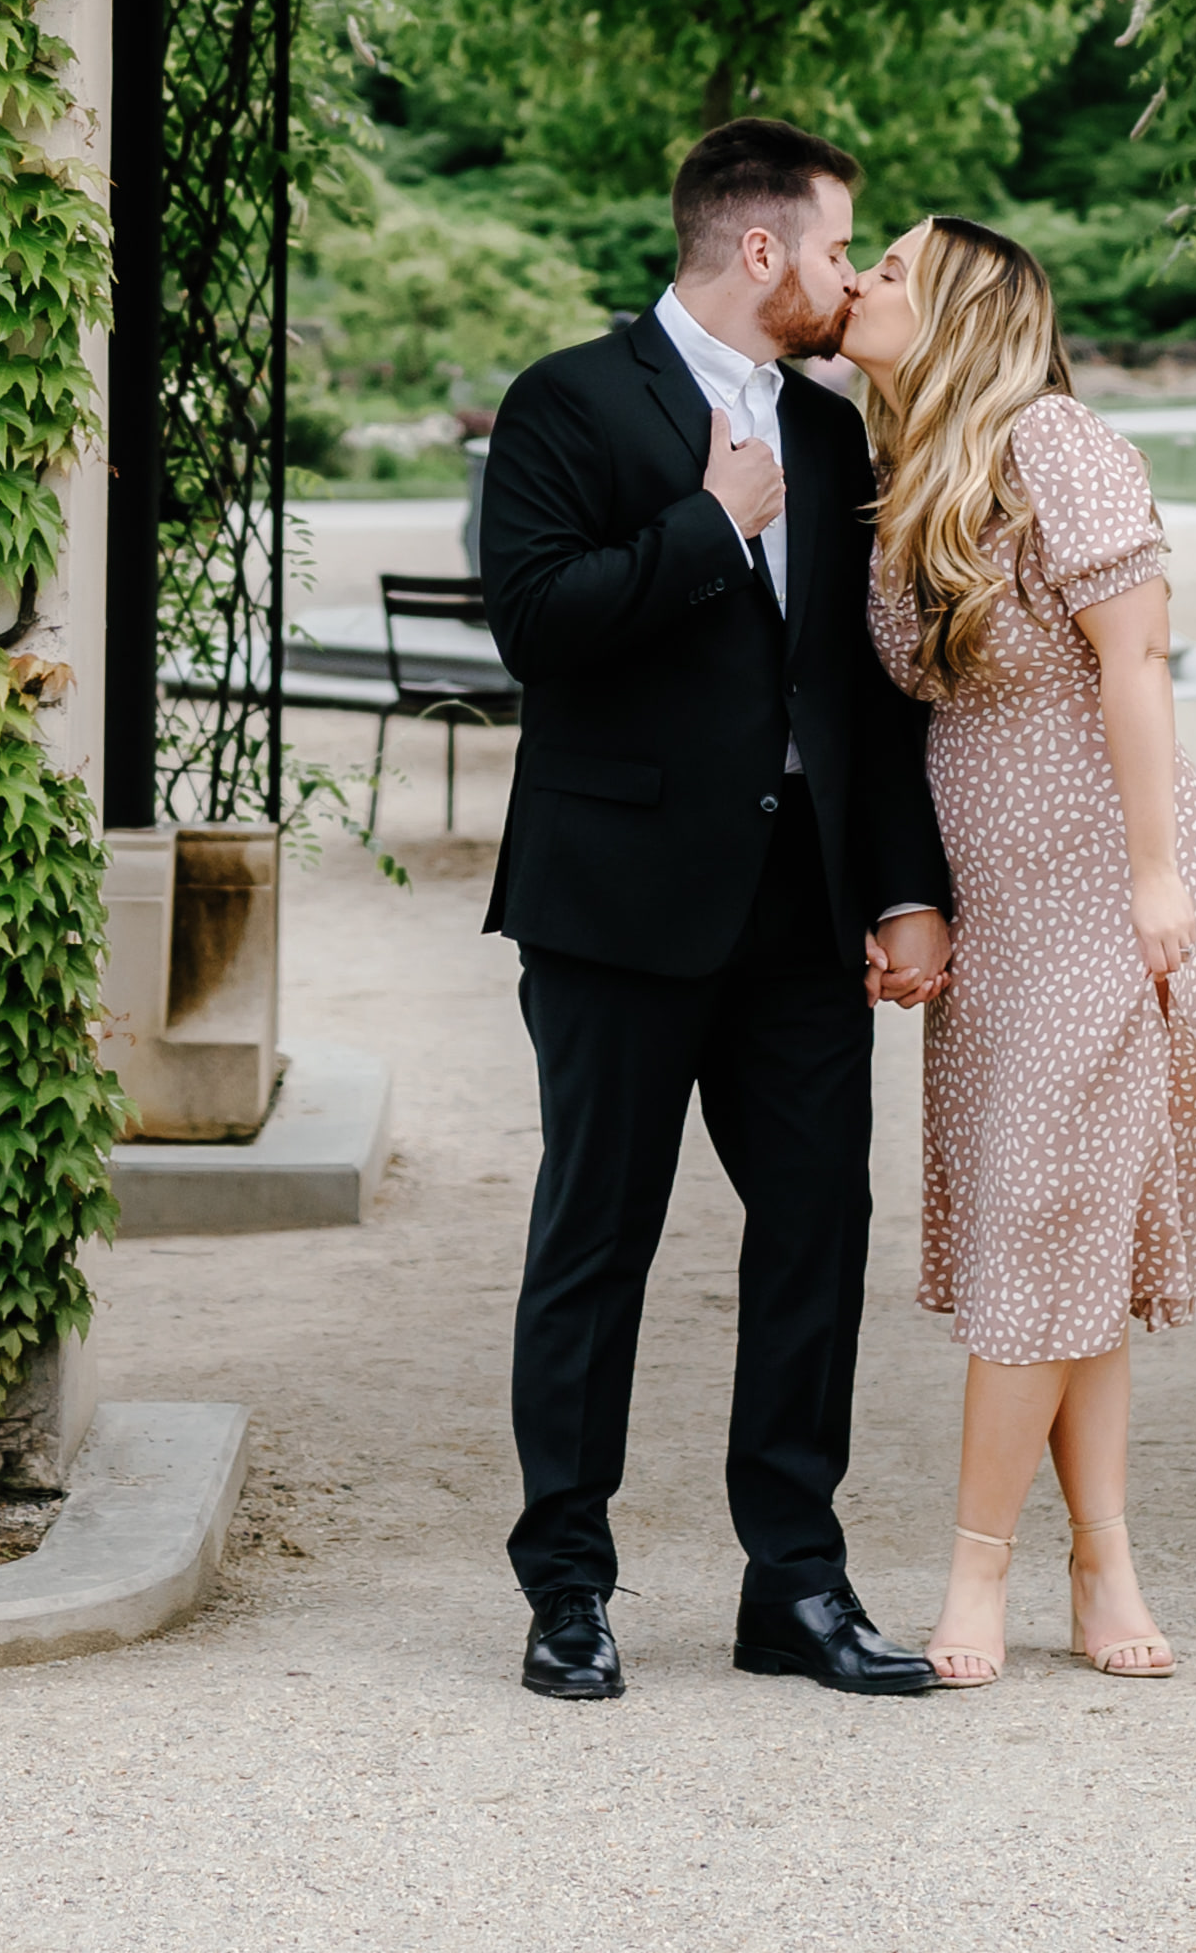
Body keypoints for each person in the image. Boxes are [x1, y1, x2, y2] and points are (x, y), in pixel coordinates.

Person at [473, 118, 961, 1704]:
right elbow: (537, 628)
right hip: (614, 909)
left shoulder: (835, 437)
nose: (845, 275)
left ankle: (795, 1587)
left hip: (799, 920)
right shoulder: (568, 399)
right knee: (593, 1240)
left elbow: (856, 703)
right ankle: (568, 1588)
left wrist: (901, 887)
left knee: (820, 1232)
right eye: (836, 247)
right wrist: (709, 524)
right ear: (761, 250)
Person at [840, 212, 1196, 1685]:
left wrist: (1162, 879)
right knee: (1064, 1226)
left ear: (967, 309)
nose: (861, 281)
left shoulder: (1062, 443)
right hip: (997, 898)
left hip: (1109, 879)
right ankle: (1105, 1560)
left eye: (891, 268)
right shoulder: (911, 466)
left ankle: (977, 1575)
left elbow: (1139, 660)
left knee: (1046, 1206)